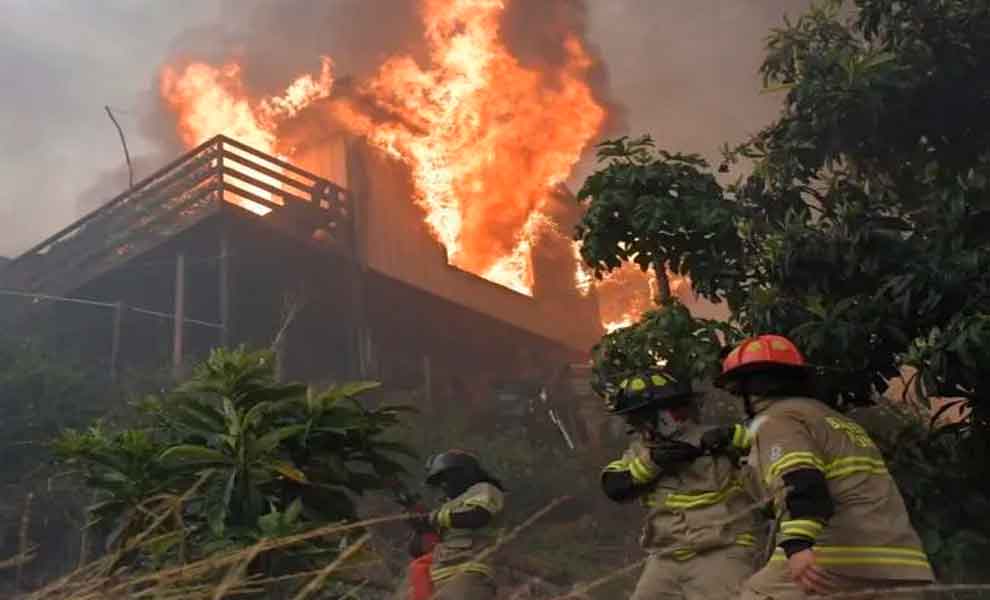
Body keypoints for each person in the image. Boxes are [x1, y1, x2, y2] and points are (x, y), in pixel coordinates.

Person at [710, 334, 934, 599]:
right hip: (902, 561)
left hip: (837, 554)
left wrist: (797, 546)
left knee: (755, 594)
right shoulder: (832, 419)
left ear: (750, 390)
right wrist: (731, 440)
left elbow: (801, 480)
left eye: (735, 392)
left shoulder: (776, 420)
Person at [598, 369, 759, 600]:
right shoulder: (641, 452)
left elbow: (770, 442)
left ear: (664, 413)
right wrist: (653, 463)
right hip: (666, 559)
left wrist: (731, 436)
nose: (634, 425)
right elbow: (613, 486)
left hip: (720, 552)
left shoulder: (717, 438)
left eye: (639, 417)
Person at [414, 450, 505, 600]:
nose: (443, 484)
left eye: (446, 478)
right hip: (440, 575)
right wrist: (419, 527)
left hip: (470, 569)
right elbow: (417, 550)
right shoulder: (446, 506)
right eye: (439, 481)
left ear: (464, 473)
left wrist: (435, 518)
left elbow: (478, 516)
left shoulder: (484, 489)